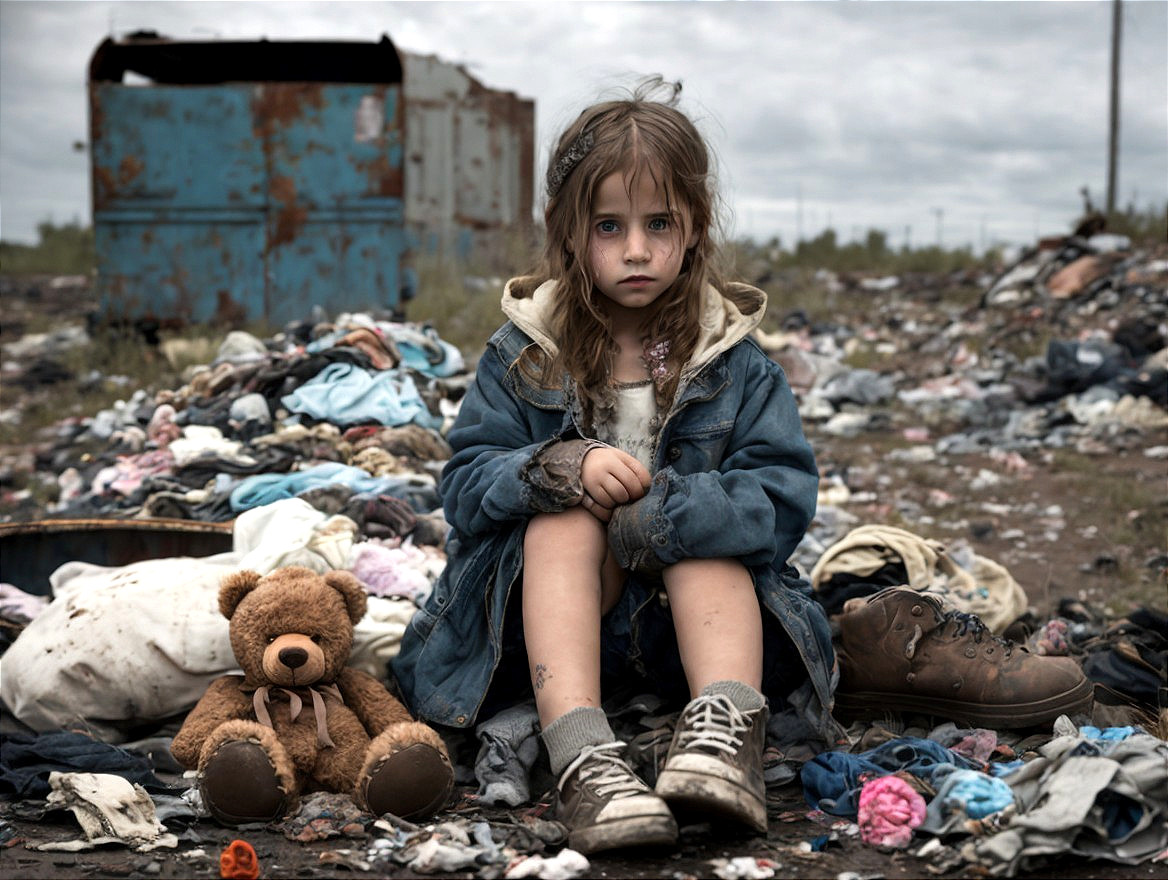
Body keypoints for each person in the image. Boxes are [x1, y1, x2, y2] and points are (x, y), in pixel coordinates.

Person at [392, 79, 838, 854]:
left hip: (690, 632)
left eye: (658, 223)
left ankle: (722, 737)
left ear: (694, 227)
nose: (637, 248)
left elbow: (781, 498)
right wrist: (559, 465)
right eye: (609, 226)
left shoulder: (731, 363)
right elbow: (464, 486)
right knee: (561, 519)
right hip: (550, 629)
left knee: (700, 532)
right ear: (569, 234)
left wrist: (662, 517)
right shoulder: (526, 355)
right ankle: (584, 758)